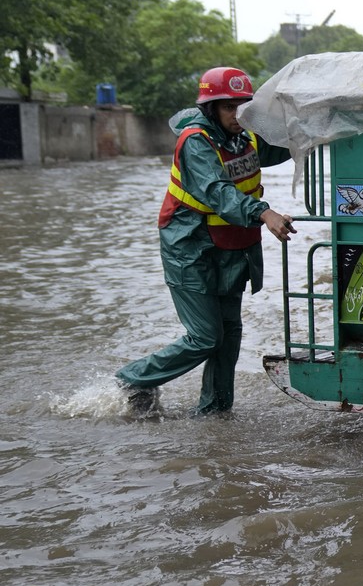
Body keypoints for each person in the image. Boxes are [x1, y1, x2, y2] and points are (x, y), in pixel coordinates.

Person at [115, 66, 295, 416]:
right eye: (228, 107)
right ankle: (135, 379)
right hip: (190, 246)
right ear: (211, 108)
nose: (237, 114)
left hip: (232, 246)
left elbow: (284, 145)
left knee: (228, 336)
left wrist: (324, 132)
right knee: (205, 336)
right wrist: (265, 213)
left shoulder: (246, 135)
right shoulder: (196, 141)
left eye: (243, 106)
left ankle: (215, 414)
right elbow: (217, 191)